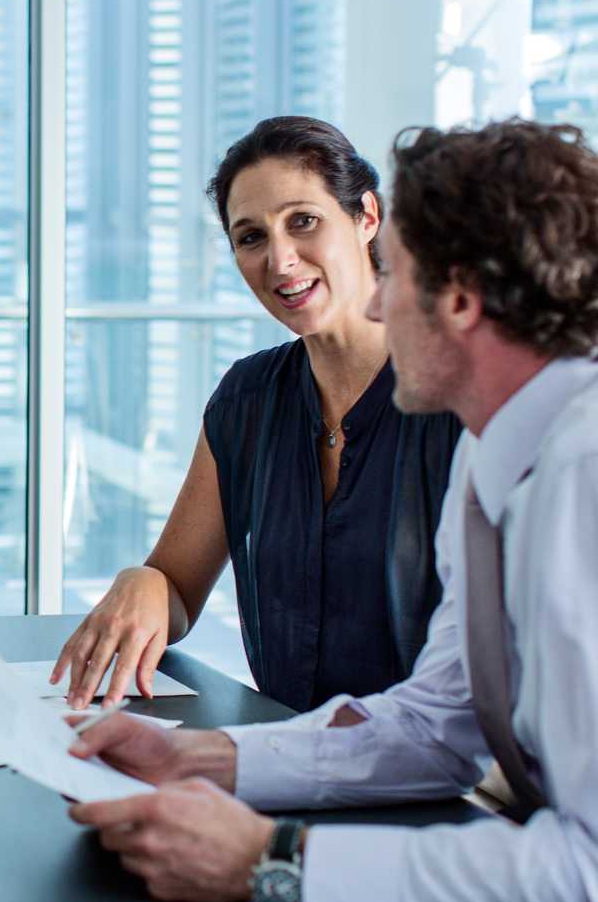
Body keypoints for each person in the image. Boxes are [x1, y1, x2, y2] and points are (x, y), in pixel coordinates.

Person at [68, 119, 598, 902]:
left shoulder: (583, 478)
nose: (379, 300)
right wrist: (204, 760)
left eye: (400, 277)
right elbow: (432, 724)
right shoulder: (497, 459)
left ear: (456, 298)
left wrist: (276, 860)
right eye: (251, 236)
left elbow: (590, 874)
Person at [51, 117, 460, 712]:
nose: (281, 260)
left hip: (435, 776)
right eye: (251, 238)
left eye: (303, 221)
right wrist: (143, 582)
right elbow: (178, 589)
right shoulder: (249, 398)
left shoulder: (455, 397)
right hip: (284, 760)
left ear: (366, 217)